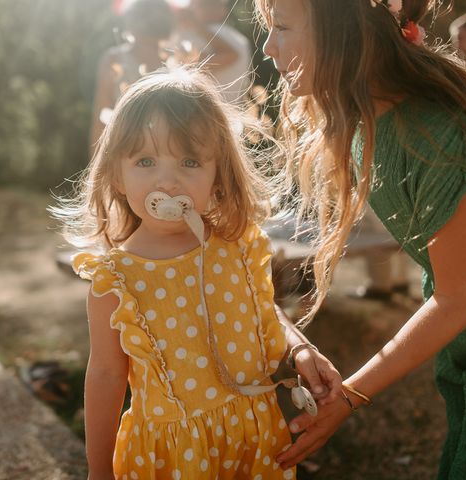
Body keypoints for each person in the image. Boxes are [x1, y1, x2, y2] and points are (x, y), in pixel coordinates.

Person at [57, 68, 342, 479]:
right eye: (146, 161)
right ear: (117, 175)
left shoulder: (237, 247)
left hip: (253, 439)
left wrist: (298, 348)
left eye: (190, 161)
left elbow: (263, 310)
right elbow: (104, 375)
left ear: (218, 173)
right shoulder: (116, 280)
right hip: (172, 457)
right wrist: (99, 470)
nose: (167, 180)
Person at [255, 0, 466, 478]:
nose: (267, 45)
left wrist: (350, 394)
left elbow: (456, 299)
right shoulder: (369, 119)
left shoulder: (434, 137)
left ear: (343, 28)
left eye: (281, 26)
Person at [89, 0, 174, 150]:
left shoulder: (175, 60)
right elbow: (101, 116)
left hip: (167, 147)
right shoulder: (114, 60)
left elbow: (101, 115)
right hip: (128, 147)